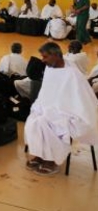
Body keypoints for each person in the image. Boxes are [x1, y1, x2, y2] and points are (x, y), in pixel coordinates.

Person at [24, 42, 98, 175]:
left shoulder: (72, 73)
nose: (43, 60)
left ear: (56, 55)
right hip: (49, 106)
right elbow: (46, 93)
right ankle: (41, 155)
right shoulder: (49, 69)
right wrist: (42, 106)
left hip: (71, 111)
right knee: (34, 120)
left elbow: (80, 99)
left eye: (45, 57)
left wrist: (60, 109)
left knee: (50, 124)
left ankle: (51, 160)